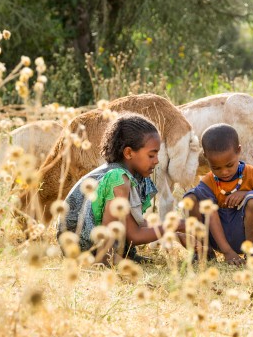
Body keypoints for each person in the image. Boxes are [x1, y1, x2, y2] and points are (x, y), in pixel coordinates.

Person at [59, 113, 175, 264]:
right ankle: (107, 256)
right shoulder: (118, 178)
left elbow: (133, 225)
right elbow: (135, 235)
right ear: (128, 153)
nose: (157, 160)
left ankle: (122, 254)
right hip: (78, 246)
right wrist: (177, 225)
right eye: (151, 155)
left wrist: (176, 234)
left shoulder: (136, 177)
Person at [184, 123, 253, 265]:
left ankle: (252, 252)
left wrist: (247, 194)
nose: (224, 172)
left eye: (229, 165)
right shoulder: (208, 182)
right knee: (191, 198)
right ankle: (204, 251)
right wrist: (227, 251)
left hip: (245, 235)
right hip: (216, 237)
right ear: (206, 157)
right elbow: (211, 216)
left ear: (238, 150)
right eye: (216, 167)